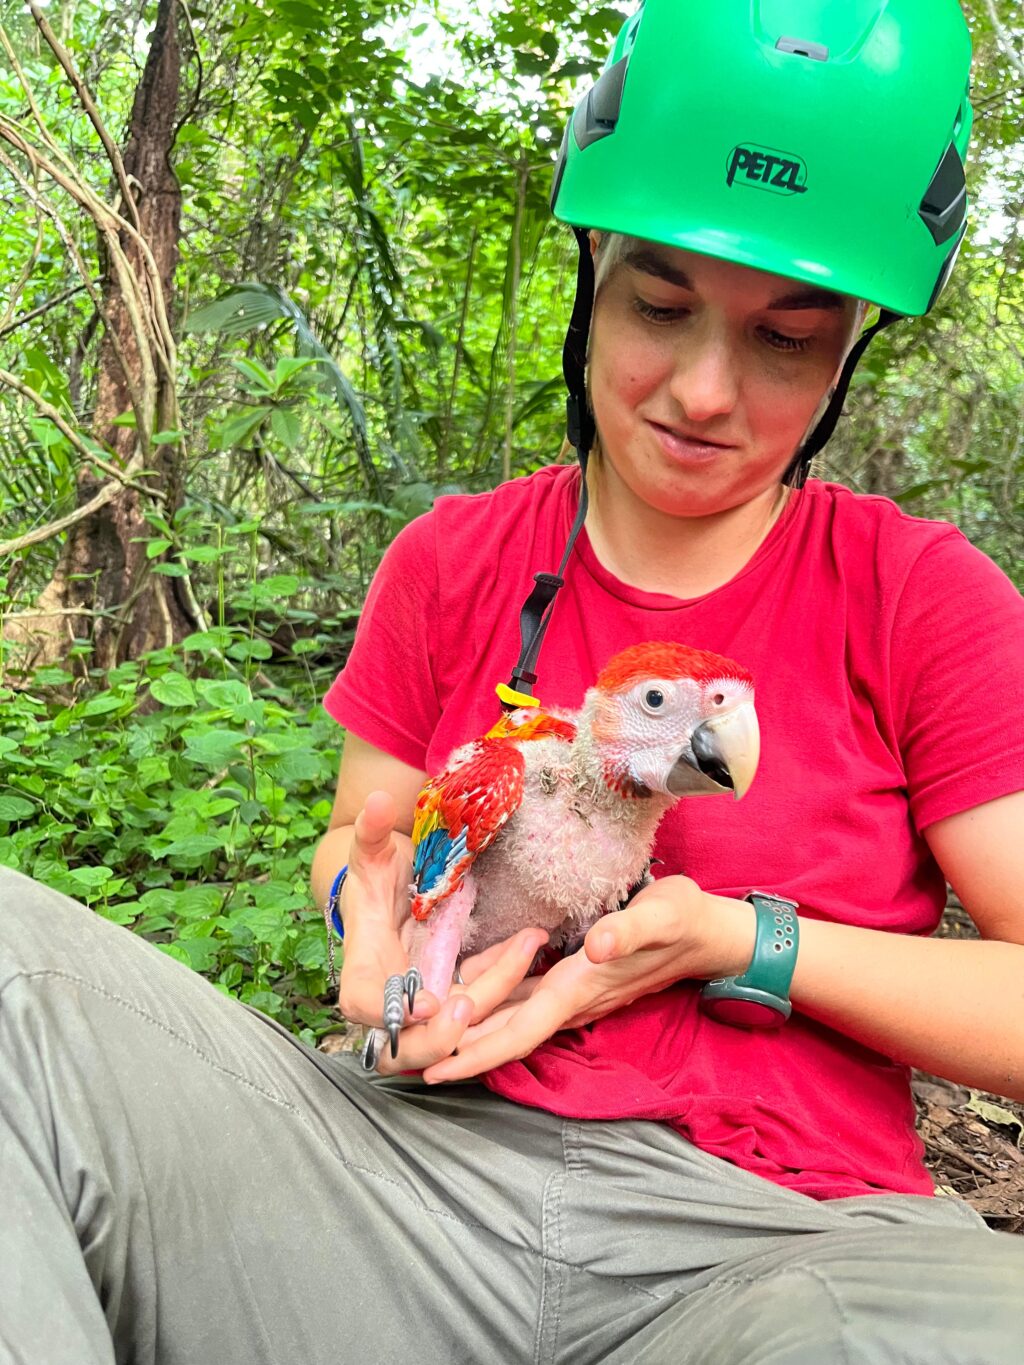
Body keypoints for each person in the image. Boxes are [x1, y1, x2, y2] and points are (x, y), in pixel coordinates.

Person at [2, 1, 1023, 1362]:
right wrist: (365, 921)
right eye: (660, 302)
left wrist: (744, 941)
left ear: (851, 351)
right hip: (400, 1183)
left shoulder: (920, 594)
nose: (705, 390)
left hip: (787, 1246)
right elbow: (364, 844)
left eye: (787, 337)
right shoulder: (452, 560)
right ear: (591, 269)